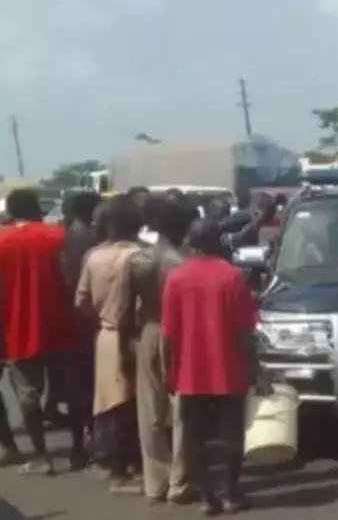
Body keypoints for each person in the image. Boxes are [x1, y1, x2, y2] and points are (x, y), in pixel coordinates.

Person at [162, 218, 259, 515]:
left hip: (189, 371)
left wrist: (168, 371)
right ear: (219, 242)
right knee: (231, 434)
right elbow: (246, 331)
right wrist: (254, 367)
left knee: (194, 436)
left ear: (190, 245)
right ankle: (230, 494)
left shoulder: (176, 278)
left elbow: (168, 335)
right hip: (229, 368)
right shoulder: (233, 277)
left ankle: (207, 497)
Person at [0, 189, 87, 475]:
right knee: (73, 392)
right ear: (37, 208)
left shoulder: (2, 241)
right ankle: (78, 451)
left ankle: (40, 457)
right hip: (62, 326)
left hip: (18, 330)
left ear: (11, 213)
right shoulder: (60, 236)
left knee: (27, 395)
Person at [76, 197, 147, 494]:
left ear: (109, 225)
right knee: (141, 403)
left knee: (112, 405)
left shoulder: (93, 257)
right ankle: (138, 464)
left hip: (107, 334)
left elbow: (82, 302)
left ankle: (117, 469)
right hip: (142, 335)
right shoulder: (145, 255)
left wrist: (103, 319)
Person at [128, 200, 197, 504]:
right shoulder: (183, 263)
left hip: (148, 331)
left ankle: (155, 482)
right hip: (180, 334)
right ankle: (179, 481)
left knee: (150, 412)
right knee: (182, 411)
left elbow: (127, 308)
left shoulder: (138, 260)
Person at [59, 191, 103, 461]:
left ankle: (78, 446)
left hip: (70, 323)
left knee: (77, 388)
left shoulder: (63, 240)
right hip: (98, 322)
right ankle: (97, 440)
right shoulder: (99, 241)